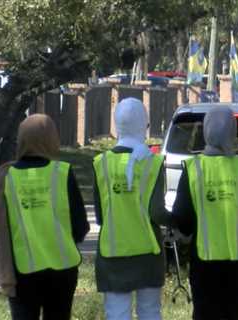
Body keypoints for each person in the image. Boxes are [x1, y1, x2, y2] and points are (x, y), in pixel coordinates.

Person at [0, 114, 89, 319]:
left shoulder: (6, 177)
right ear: (52, 139)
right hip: (62, 271)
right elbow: (81, 226)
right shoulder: (63, 173)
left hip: (22, 271)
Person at [172, 106, 238, 320]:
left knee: (205, 314)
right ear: (232, 132)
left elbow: (182, 216)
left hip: (204, 260)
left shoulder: (193, 168)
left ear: (206, 130)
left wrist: (189, 232)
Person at [93, 98, 167, 320]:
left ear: (116, 126)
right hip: (148, 253)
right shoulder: (153, 163)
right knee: (150, 311)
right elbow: (157, 211)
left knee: (116, 313)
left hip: (113, 254)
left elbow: (99, 215)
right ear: (144, 125)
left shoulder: (101, 163)